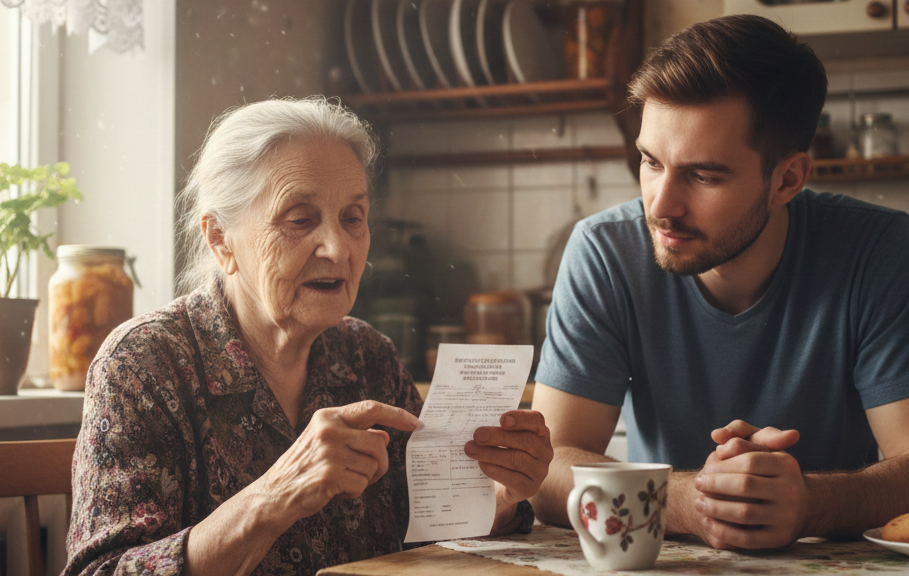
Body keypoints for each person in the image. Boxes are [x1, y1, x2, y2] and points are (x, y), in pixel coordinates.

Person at [529, 14, 909, 550]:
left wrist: (809, 502)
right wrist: (693, 501)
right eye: (650, 162)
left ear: (787, 179)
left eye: (703, 175)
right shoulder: (604, 251)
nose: (661, 206)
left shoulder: (877, 249)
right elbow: (546, 470)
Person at [63, 97, 552, 575]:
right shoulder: (143, 365)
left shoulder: (368, 357)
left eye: (352, 218)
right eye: (300, 219)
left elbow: (424, 535)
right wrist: (275, 495)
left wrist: (498, 498)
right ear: (220, 239)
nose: (337, 248)